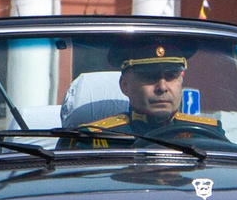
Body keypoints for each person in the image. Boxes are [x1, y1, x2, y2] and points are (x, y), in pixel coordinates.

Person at [77, 42, 224, 148]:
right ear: (125, 86)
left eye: (171, 76)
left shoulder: (207, 134)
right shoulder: (92, 140)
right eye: (150, 77)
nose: (162, 87)